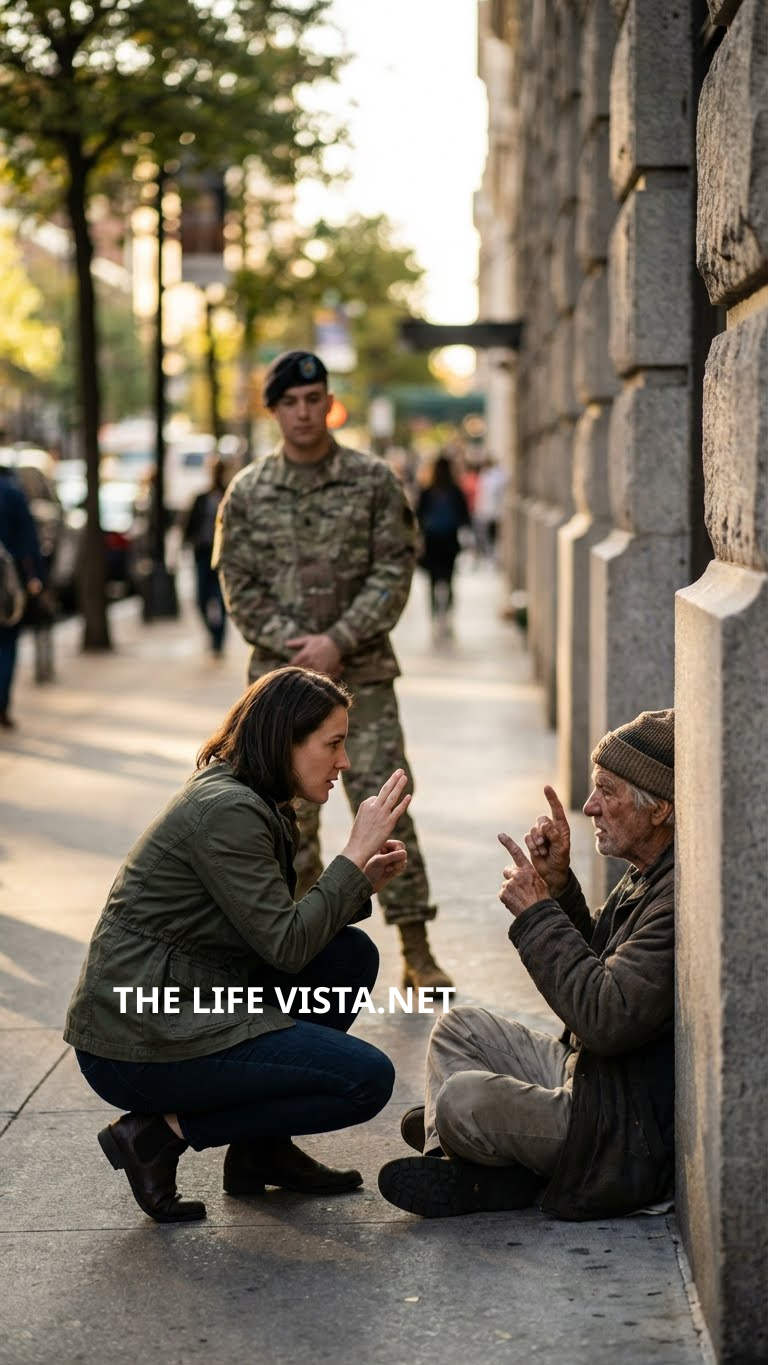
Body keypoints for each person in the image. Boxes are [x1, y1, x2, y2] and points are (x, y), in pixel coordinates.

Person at [64, 666, 411, 1224]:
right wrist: (350, 858)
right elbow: (286, 946)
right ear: (286, 740)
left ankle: (259, 1151)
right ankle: (156, 1135)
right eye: (333, 744)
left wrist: (359, 883)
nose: (343, 762)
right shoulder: (228, 810)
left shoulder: (252, 799)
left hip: (191, 994)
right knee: (365, 1081)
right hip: (135, 1037)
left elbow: (275, 932)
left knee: (349, 957)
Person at [214, 350, 452, 990]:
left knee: (385, 801)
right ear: (274, 411)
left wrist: (338, 640)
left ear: (328, 403)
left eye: (313, 399)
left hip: (363, 679)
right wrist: (297, 649)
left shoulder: (373, 481)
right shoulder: (249, 491)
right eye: (289, 402)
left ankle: (416, 945)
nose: (302, 412)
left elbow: (394, 568)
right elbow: (236, 583)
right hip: (277, 690)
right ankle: (291, 943)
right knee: (281, 813)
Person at [378, 709, 676, 1220]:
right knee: (458, 1029)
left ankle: (474, 1155)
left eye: (607, 791)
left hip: (619, 1129)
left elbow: (605, 1018)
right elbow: (603, 961)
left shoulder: (675, 898)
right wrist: (558, 885)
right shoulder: (646, 873)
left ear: (658, 809)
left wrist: (538, 916)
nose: (589, 807)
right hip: (594, 1081)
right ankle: (458, 1167)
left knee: (458, 1102)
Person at [0, 458, 44, 729]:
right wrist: (35, 578)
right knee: (6, 643)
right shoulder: (12, 493)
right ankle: (2, 704)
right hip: (8, 585)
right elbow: (29, 541)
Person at [415, 453, 471, 633]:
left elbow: (418, 517)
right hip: (449, 541)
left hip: (433, 542)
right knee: (449, 580)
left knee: (432, 582)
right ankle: (447, 615)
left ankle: (434, 616)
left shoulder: (428, 491)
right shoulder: (454, 490)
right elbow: (464, 516)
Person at [182, 456, 232, 656]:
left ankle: (219, 641)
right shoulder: (201, 498)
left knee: (221, 600)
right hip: (203, 554)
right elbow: (188, 525)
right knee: (201, 599)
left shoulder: (230, 495)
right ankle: (213, 634)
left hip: (223, 558)